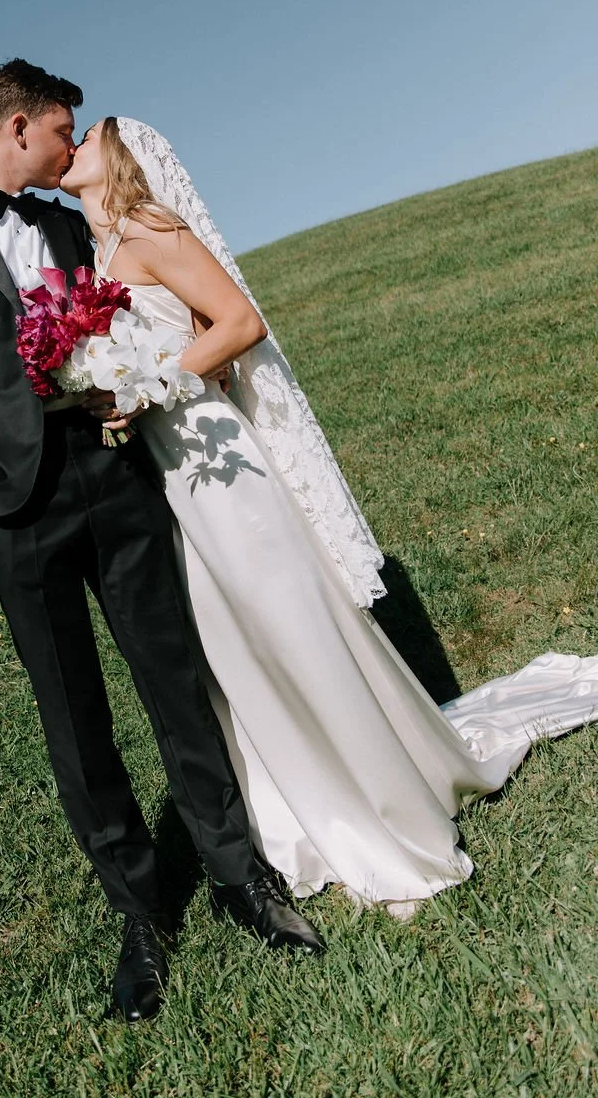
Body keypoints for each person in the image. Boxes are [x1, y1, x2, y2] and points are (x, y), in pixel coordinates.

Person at [0, 61, 325, 1025]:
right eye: (62, 132)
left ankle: (239, 879)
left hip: (114, 479)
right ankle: (143, 915)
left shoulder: (74, 225)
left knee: (174, 681)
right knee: (75, 714)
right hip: (8, 510)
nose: (73, 151)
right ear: (17, 127)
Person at [60, 116, 598, 912]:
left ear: (125, 156)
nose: (71, 148)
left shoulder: (149, 226)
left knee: (290, 623)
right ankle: (299, 806)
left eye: (88, 136)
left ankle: (382, 809)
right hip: (170, 471)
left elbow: (240, 324)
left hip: (216, 456)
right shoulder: (99, 254)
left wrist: (149, 385)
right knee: (235, 642)